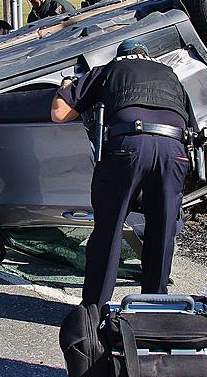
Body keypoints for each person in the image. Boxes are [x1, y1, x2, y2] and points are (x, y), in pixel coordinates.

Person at [50, 38, 191, 305]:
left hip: (129, 145)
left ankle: (94, 309)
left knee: (110, 229)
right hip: (175, 149)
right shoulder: (171, 75)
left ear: (121, 56)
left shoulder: (109, 69)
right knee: (162, 232)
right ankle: (155, 310)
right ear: (146, 56)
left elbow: (59, 113)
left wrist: (67, 87)